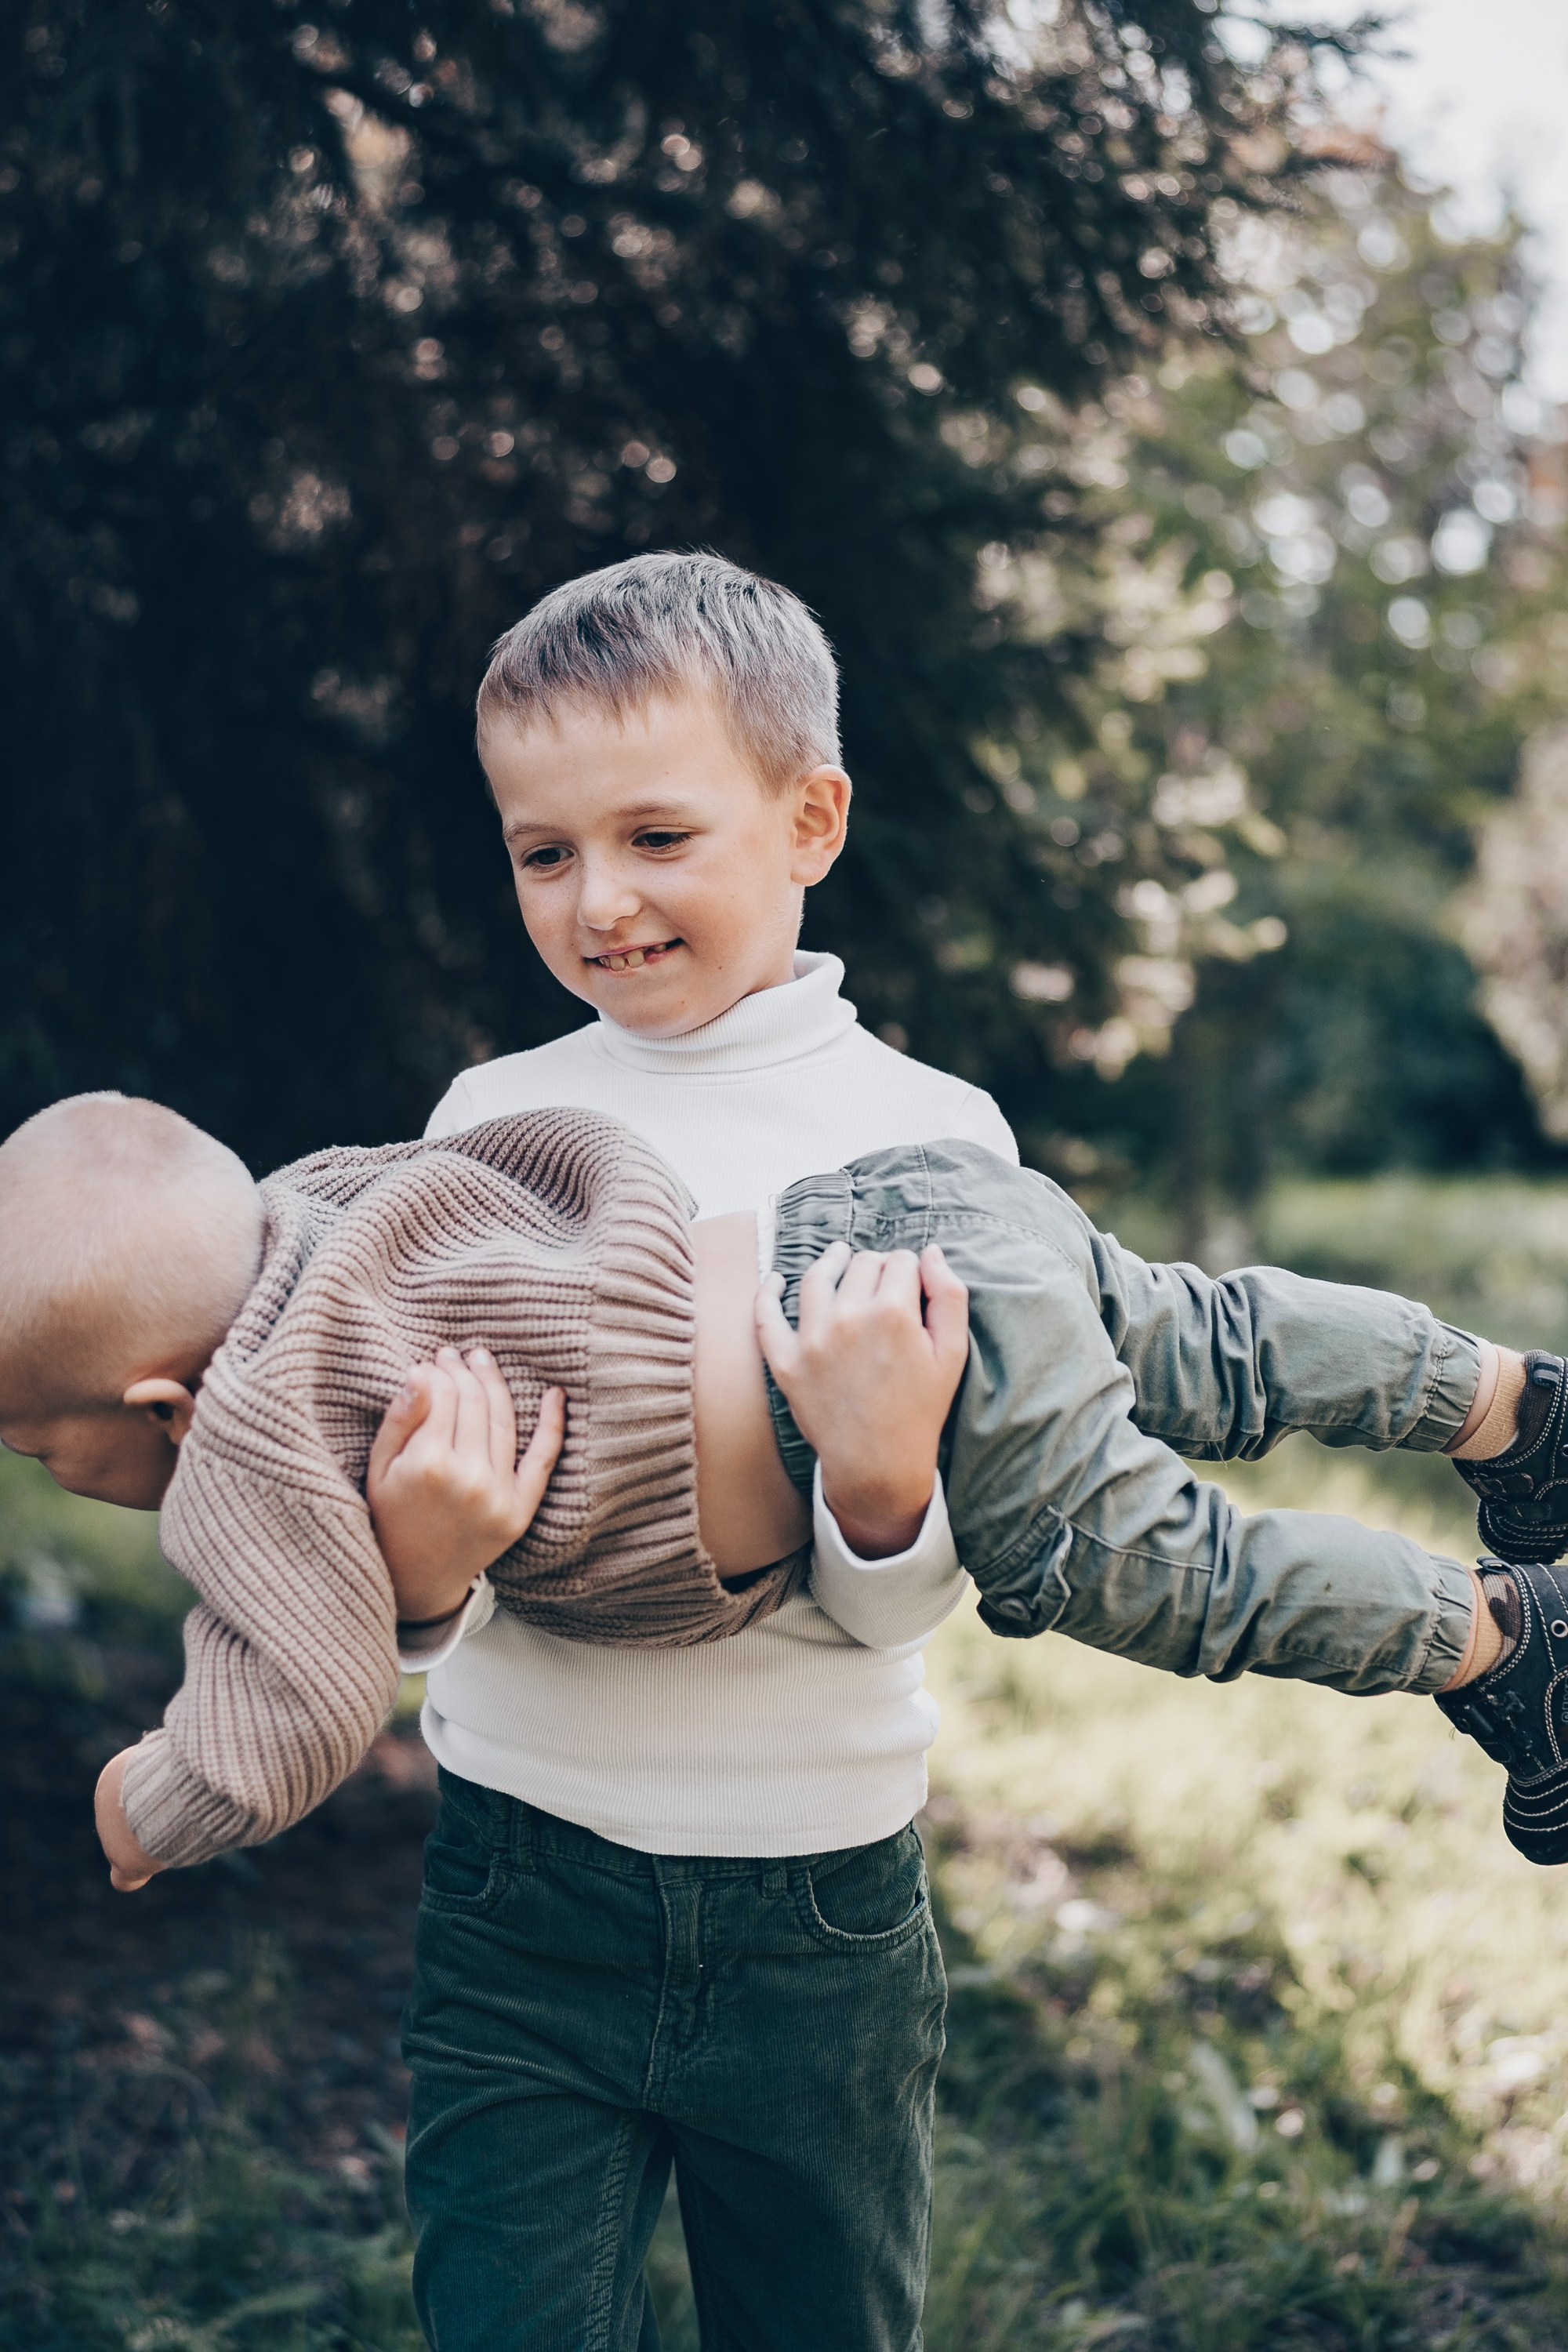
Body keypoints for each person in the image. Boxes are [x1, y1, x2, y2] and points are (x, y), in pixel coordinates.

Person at [0, 550, 1552, 2352]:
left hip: (817, 1905)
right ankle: (1506, 1406)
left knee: (1145, 1543)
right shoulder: (485, 1117)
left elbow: (885, 1609)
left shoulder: (924, 1121)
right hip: (523, 1886)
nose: (599, 903)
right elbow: (405, 1579)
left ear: (810, 817)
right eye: (542, 853)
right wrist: (424, 1575)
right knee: (1191, 1337)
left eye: (657, 838)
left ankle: (1502, 1631)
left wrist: (881, 1481)